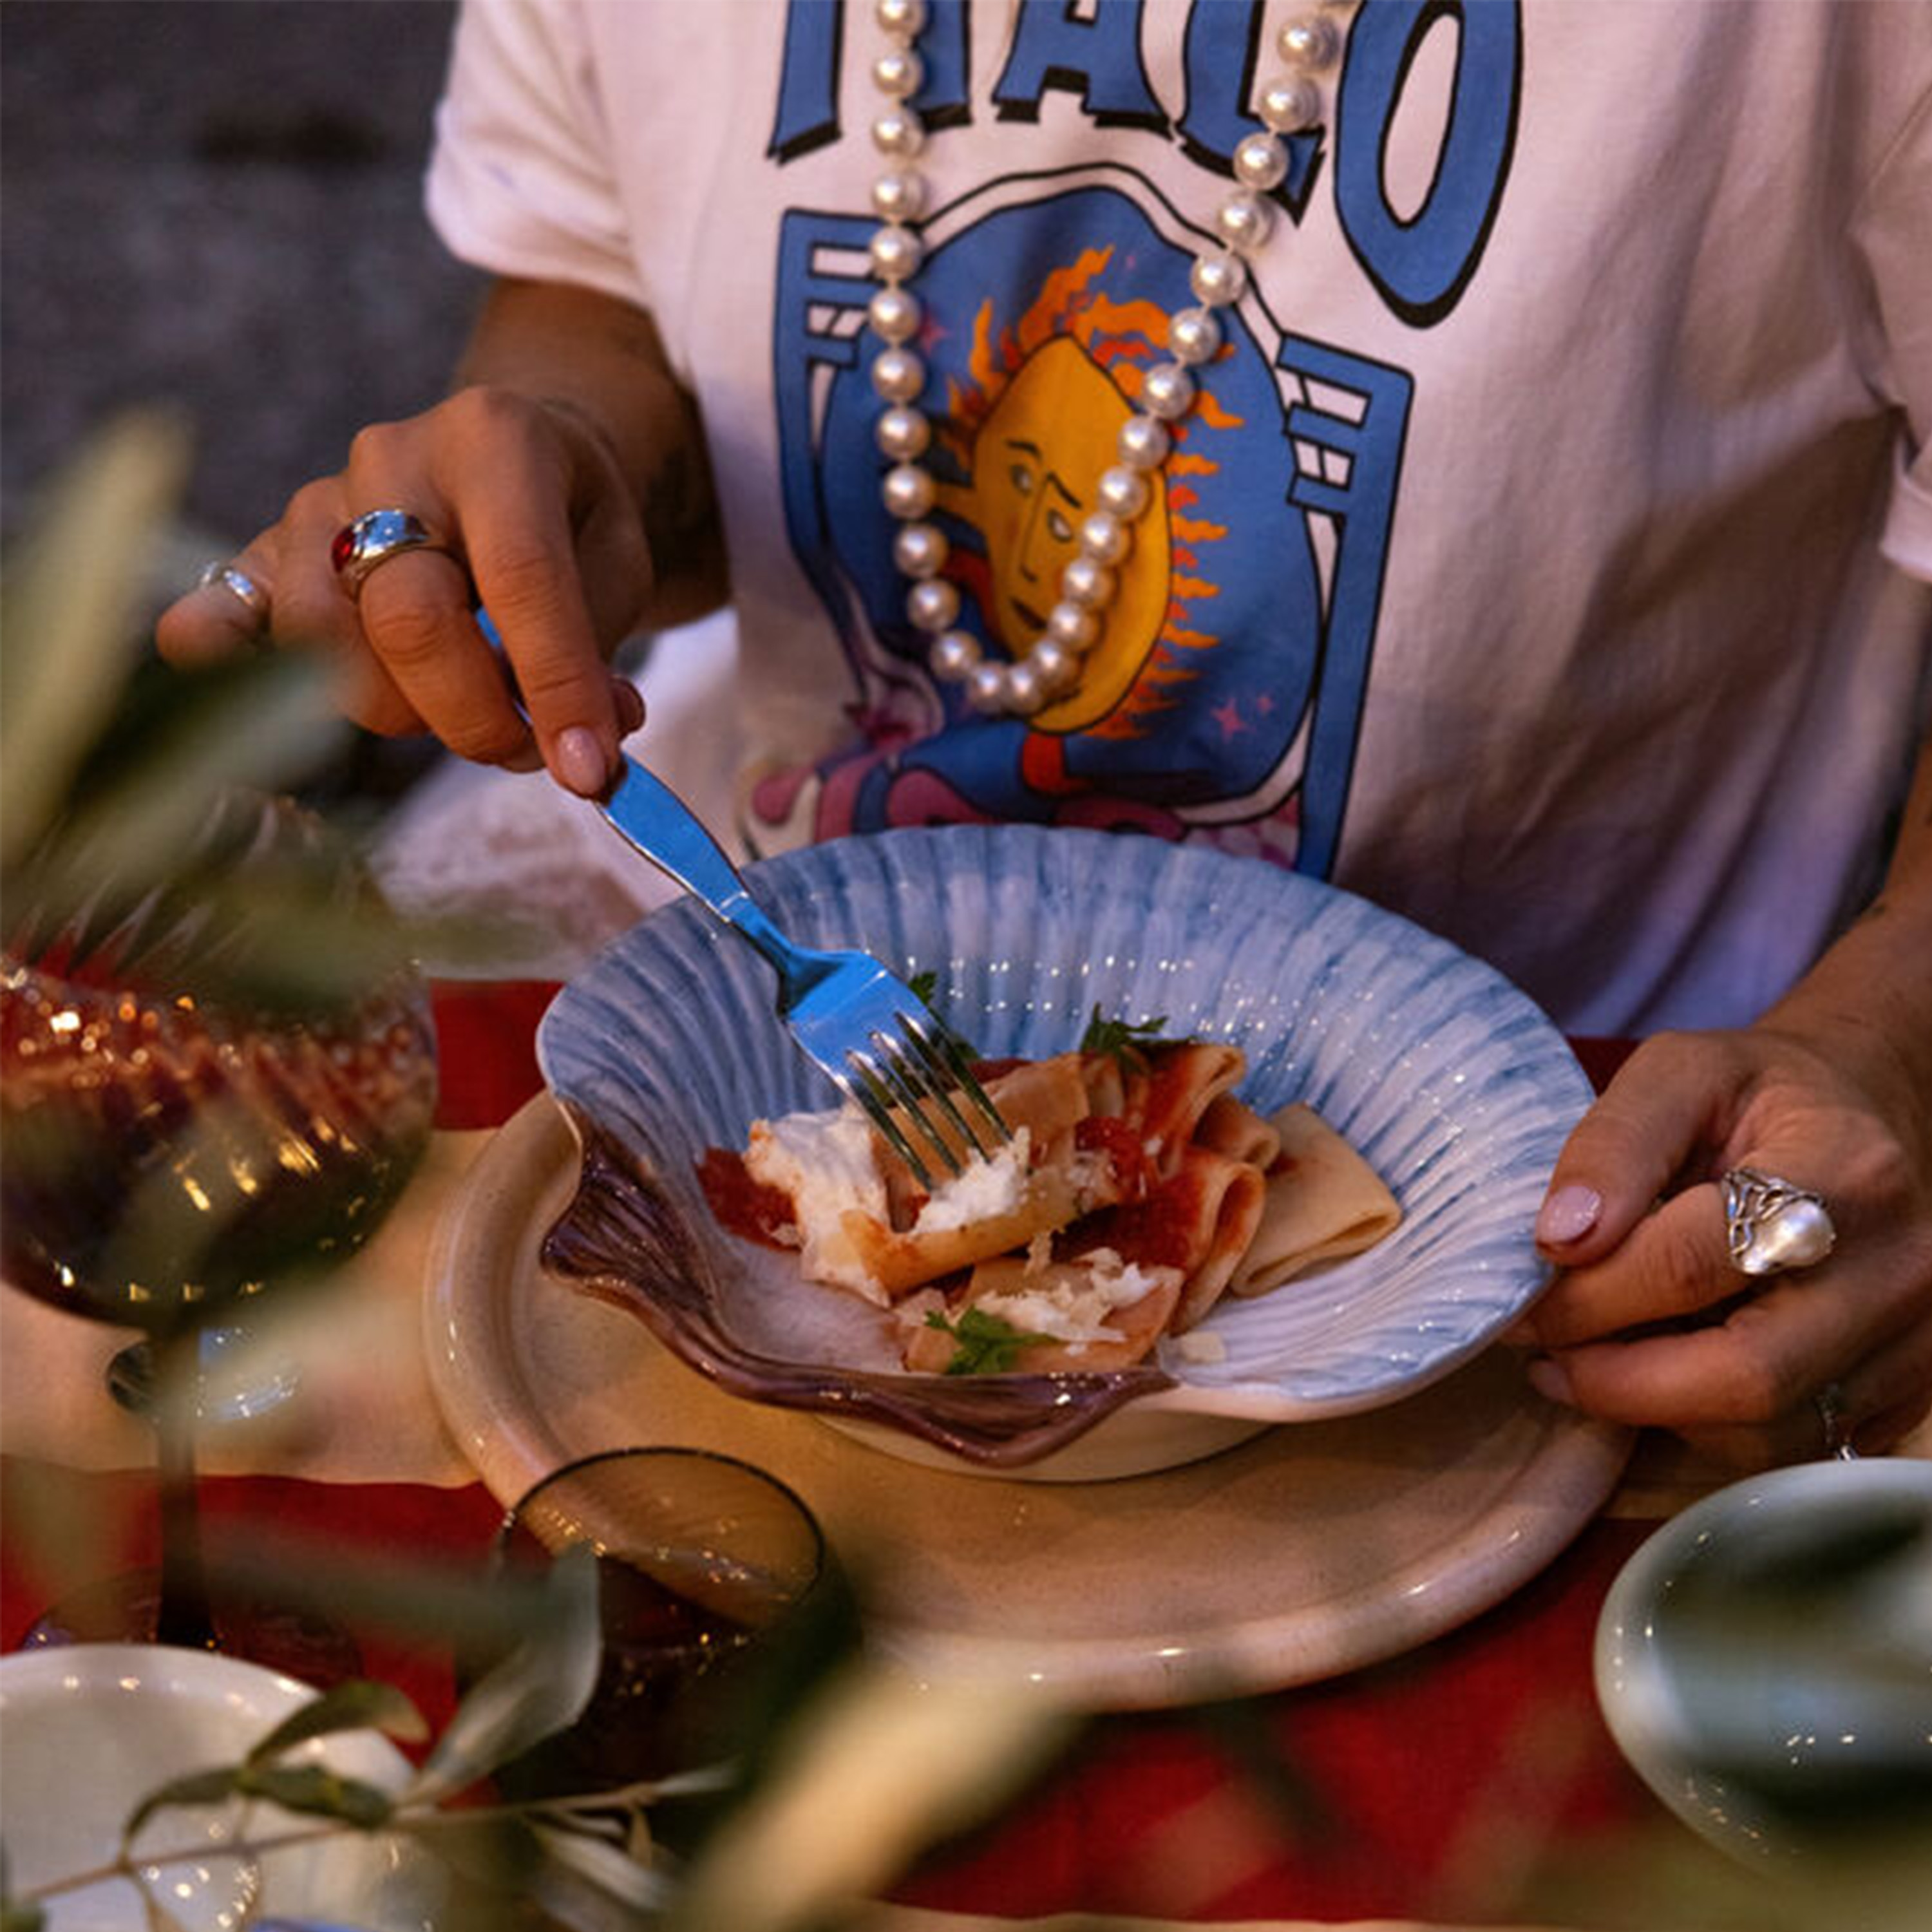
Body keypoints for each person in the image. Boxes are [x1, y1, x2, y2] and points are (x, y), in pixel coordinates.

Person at [158, 0, 1932, 1468]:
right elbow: (597, 273)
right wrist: (571, 464)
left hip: (1616, 1175)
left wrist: (1895, 1029)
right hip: (749, 987)